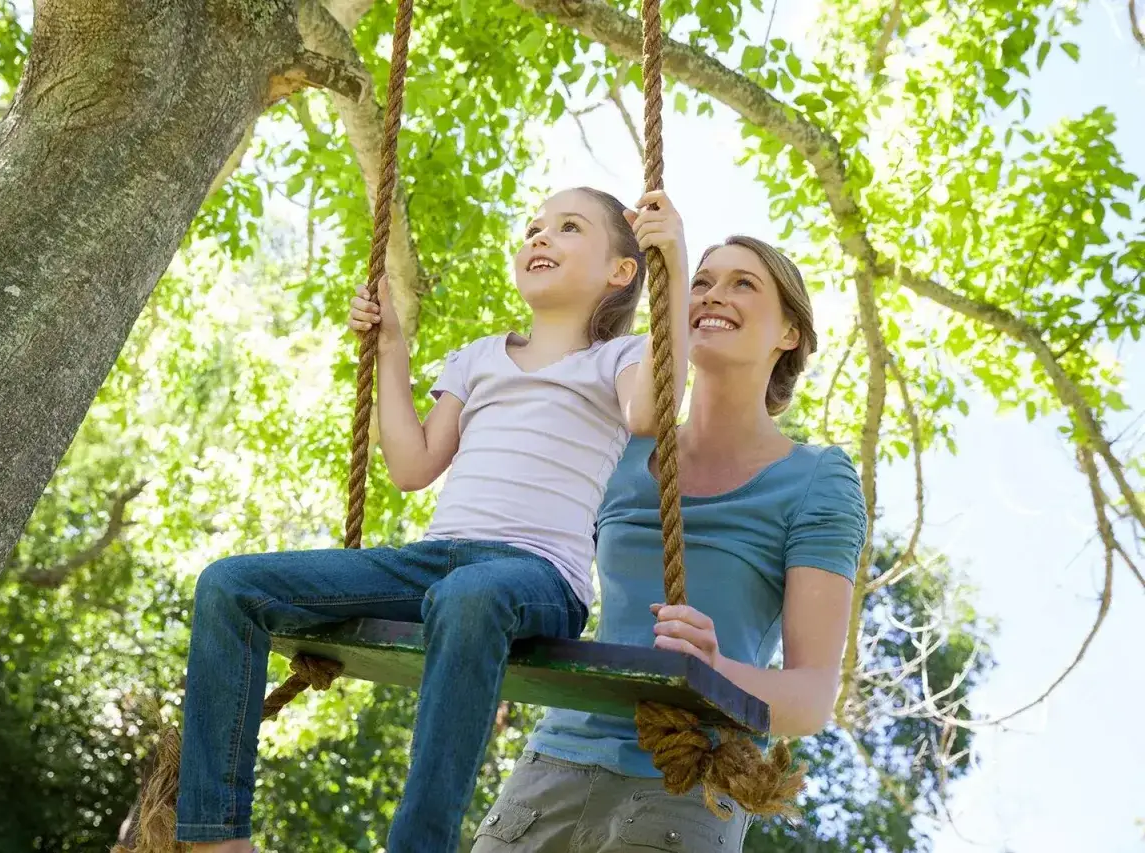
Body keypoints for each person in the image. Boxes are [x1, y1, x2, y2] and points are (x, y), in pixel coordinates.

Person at [174, 187, 692, 853]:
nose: (540, 237)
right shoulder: (477, 357)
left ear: (621, 271)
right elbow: (414, 465)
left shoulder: (617, 360)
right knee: (228, 585)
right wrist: (391, 347)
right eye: (533, 226)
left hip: (538, 577)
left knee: (468, 595)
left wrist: (672, 263)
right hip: (435, 561)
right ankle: (216, 834)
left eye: (568, 228)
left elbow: (655, 411)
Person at [470, 237, 867, 853]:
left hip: (688, 784)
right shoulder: (622, 446)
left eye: (743, 284)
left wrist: (715, 673)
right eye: (702, 281)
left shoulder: (817, 479)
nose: (713, 295)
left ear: (789, 331)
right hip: (554, 760)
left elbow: (811, 698)